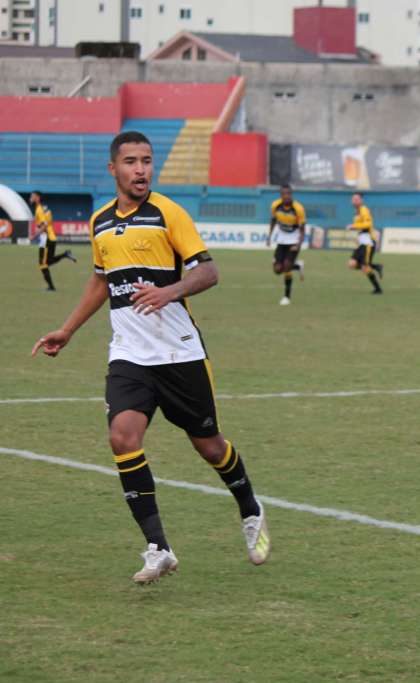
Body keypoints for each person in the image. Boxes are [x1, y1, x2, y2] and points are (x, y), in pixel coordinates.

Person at [31, 131, 270, 584]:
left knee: (209, 445)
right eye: (131, 162)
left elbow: (209, 270)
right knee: (122, 437)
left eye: (146, 161)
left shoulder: (168, 213)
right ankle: (158, 548)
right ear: (113, 169)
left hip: (179, 352)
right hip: (129, 354)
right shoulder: (101, 222)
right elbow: (101, 282)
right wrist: (67, 329)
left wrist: (170, 291)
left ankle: (250, 508)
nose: (140, 169)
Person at [267, 184, 306, 306]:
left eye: (289, 194)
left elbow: (302, 228)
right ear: (281, 195)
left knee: (287, 267)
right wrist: (269, 236)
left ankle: (286, 297)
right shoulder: (275, 205)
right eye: (284, 194)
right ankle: (298, 266)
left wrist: (298, 244)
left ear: (291, 194)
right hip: (282, 240)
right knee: (277, 270)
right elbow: (273, 220)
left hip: (293, 241)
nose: (286, 196)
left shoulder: (298, 209)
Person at [30, 190, 76, 291]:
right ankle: (65, 254)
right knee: (48, 262)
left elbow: (44, 226)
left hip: (46, 239)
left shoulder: (39, 209)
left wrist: (34, 236)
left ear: (38, 197)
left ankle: (51, 287)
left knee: (43, 264)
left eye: (32, 196)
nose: (31, 197)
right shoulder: (45, 208)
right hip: (51, 238)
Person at [346, 193, 383, 294]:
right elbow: (361, 228)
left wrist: (353, 226)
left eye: (357, 199)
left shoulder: (364, 209)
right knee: (351, 264)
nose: (354, 201)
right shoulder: (357, 212)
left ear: (361, 200)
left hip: (368, 243)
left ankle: (378, 289)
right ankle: (376, 266)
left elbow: (368, 224)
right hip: (362, 243)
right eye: (353, 199)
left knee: (365, 267)